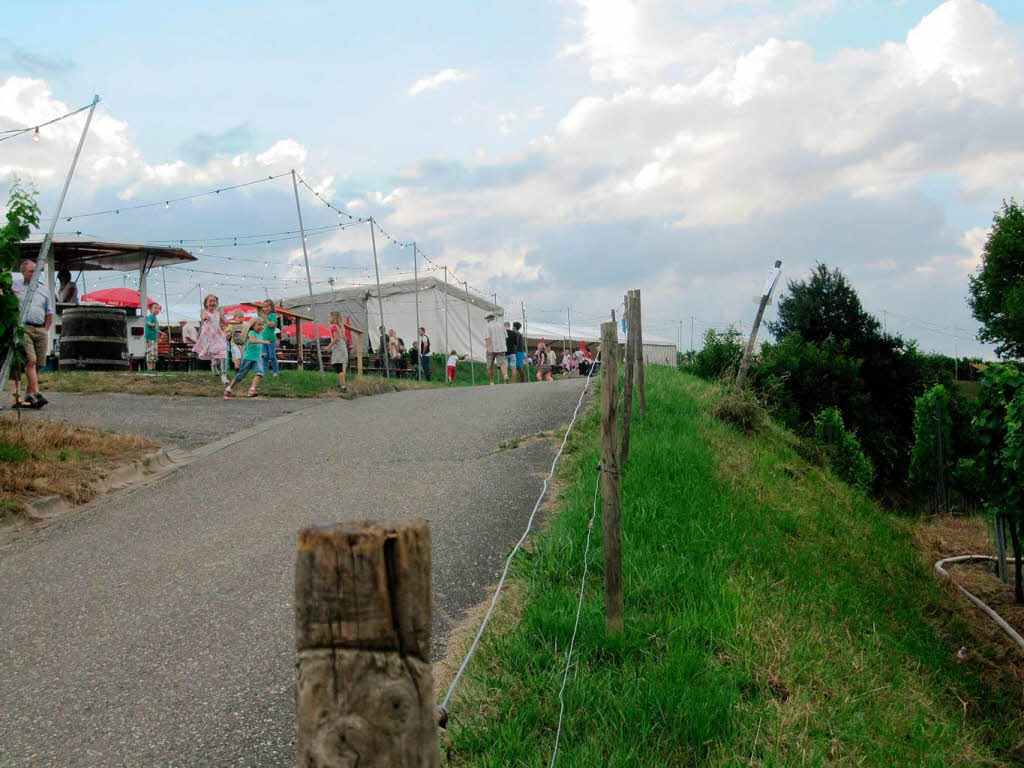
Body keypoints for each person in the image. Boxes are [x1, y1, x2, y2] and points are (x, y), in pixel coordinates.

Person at [10, 259, 52, 409]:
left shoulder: (43, 289)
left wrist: (45, 329)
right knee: (31, 360)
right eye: (31, 271)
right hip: (24, 327)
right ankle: (37, 393)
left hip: (40, 328)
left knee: (39, 363)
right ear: (23, 272)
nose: (34, 274)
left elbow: (49, 312)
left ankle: (28, 395)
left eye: (37, 271)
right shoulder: (15, 286)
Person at [223, 317, 268, 398]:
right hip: (248, 358)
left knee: (260, 373)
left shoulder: (261, 334)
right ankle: (229, 388)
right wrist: (263, 341)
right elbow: (252, 341)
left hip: (257, 358)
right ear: (253, 325)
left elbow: (258, 347)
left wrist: (261, 353)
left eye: (262, 325)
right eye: (259, 325)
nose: (261, 326)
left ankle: (252, 389)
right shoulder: (251, 332)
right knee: (240, 376)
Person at [194, 294, 229, 384]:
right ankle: (213, 366)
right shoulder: (204, 312)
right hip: (209, 337)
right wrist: (205, 318)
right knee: (215, 357)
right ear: (206, 303)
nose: (213, 303)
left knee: (223, 355)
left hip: (219, 336)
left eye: (214, 301)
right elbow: (203, 318)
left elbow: (226, 322)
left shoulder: (218, 313)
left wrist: (237, 321)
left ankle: (224, 375)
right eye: (210, 301)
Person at [325, 311, 348, 392]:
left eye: (329, 317)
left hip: (338, 349)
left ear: (333, 318)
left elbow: (336, 339)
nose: (328, 318)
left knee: (338, 367)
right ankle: (342, 384)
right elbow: (345, 339)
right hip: (342, 349)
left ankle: (343, 387)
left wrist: (328, 347)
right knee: (340, 367)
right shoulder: (340, 327)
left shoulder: (334, 327)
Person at [484, 311, 508, 384]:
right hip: (501, 348)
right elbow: (506, 336)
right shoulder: (501, 325)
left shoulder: (488, 326)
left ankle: (491, 382)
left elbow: (487, 338)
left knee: (490, 365)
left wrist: (488, 349)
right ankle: (505, 376)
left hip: (491, 349)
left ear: (488, 318)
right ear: (493, 317)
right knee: (502, 363)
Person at [259, 299, 279, 377]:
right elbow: (264, 327)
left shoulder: (273, 315)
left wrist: (266, 319)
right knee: (264, 356)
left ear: (271, 307)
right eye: (264, 307)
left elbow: (271, 325)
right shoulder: (265, 316)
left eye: (267, 306)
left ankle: (275, 371)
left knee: (272, 356)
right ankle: (264, 372)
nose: (265, 308)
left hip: (271, 339)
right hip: (264, 339)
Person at [144, 301, 161, 371]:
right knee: (150, 354)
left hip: (154, 339)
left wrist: (160, 332)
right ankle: (150, 369)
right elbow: (148, 323)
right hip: (150, 338)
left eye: (158, 308)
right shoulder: (150, 317)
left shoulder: (155, 318)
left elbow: (156, 329)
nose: (157, 310)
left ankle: (153, 369)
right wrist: (152, 324)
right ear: (150, 310)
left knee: (154, 355)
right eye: (155, 308)